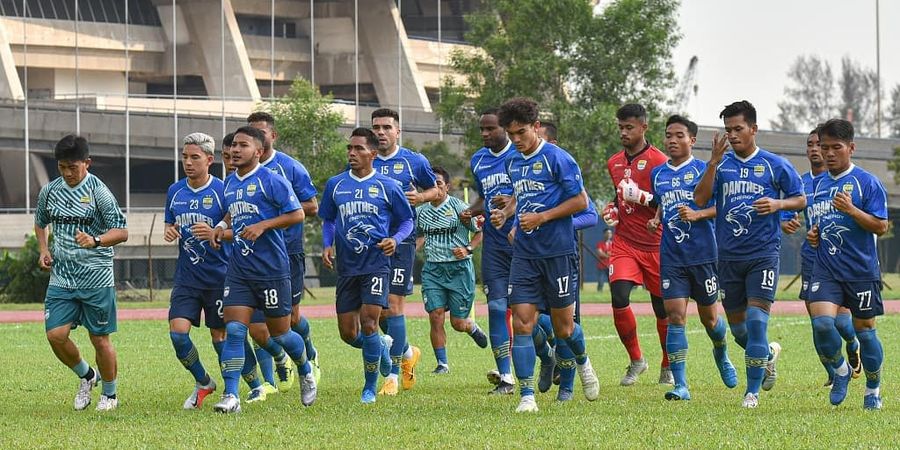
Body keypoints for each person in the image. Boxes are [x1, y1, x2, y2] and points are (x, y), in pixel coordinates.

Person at [693, 100, 805, 408]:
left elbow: (800, 198)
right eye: (728, 130)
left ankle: (751, 393)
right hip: (728, 258)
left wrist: (778, 205)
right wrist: (713, 163)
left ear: (753, 129)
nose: (733, 135)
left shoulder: (774, 164)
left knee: (757, 322)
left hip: (763, 254)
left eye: (738, 129)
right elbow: (700, 200)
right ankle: (767, 355)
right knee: (740, 331)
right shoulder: (721, 165)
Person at [500, 98, 599, 412]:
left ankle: (583, 362)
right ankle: (527, 396)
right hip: (526, 255)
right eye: (511, 133)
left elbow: (581, 202)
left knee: (564, 328)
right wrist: (510, 216)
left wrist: (542, 217)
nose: (516, 139)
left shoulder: (559, 159)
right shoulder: (512, 161)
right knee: (522, 323)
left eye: (521, 132)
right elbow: (523, 195)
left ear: (536, 127)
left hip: (558, 253)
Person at [209, 126, 317, 413]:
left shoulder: (273, 180)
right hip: (239, 270)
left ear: (258, 151)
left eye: (242, 145)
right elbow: (233, 211)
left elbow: (298, 213)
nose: (234, 150)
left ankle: (305, 369)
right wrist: (221, 227)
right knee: (234, 330)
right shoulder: (230, 182)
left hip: (272, 269)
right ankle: (231, 395)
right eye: (232, 145)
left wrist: (263, 225)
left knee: (280, 333)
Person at [319, 127, 414, 404]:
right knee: (348, 333)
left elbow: (407, 221)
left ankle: (369, 388)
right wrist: (327, 244)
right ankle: (382, 349)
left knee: (370, 323)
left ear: (372, 153)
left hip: (376, 264)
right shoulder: (336, 184)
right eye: (350, 148)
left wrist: (395, 240)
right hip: (347, 267)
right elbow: (328, 219)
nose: (352, 153)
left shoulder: (388, 186)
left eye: (358, 148)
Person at [164, 132, 258, 410]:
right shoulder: (175, 191)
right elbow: (171, 223)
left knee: (222, 337)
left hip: (220, 277)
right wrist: (170, 230)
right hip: (187, 278)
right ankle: (204, 381)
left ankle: (251, 386)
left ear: (209, 159)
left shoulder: (224, 190)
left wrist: (218, 231)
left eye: (194, 157)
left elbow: (238, 228)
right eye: (185, 157)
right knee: (178, 334)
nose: (188, 163)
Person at [35, 134, 129, 411]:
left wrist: (96, 240)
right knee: (55, 335)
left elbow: (122, 231)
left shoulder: (99, 193)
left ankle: (110, 395)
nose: (67, 173)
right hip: (62, 278)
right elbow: (41, 222)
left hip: (96, 278)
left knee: (99, 339)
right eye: (62, 167)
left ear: (87, 163)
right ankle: (88, 375)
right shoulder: (50, 191)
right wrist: (43, 249)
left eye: (72, 167)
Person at [649, 115, 738, 401]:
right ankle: (681, 385)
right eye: (668, 135)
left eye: (679, 135)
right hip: (671, 256)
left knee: (711, 320)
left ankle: (722, 353)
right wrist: (656, 218)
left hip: (703, 256)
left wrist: (699, 214)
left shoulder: (705, 169)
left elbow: (722, 208)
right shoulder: (658, 174)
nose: (672, 140)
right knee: (675, 317)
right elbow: (664, 203)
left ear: (692, 140)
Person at [805, 119, 889, 410]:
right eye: (823, 147)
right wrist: (814, 234)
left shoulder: (867, 182)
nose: (828, 153)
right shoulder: (818, 185)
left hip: (861, 271)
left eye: (835, 148)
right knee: (822, 324)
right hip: (826, 267)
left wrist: (852, 210)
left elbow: (881, 226)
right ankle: (841, 370)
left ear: (851, 148)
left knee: (865, 332)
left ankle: (873, 388)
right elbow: (820, 221)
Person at [780, 126, 861, 387]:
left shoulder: (841, 180)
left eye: (820, 144)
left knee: (841, 320)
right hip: (812, 256)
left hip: (841, 258)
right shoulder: (801, 182)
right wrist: (785, 222)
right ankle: (833, 371)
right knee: (818, 321)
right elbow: (786, 211)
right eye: (811, 144)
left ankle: (852, 341)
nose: (815, 149)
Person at [248, 111, 320, 388]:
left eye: (261, 133)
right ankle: (269, 381)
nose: (256, 138)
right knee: (256, 323)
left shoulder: (290, 167)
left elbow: (312, 206)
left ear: (272, 136)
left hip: (287, 252)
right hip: (253, 254)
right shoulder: (240, 169)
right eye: (250, 133)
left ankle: (309, 353)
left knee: (289, 318)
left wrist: (274, 213)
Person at [370, 108, 439, 394]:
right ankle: (408, 352)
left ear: (398, 132)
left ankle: (393, 375)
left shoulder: (414, 161)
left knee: (394, 305)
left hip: (402, 241)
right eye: (376, 127)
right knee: (377, 311)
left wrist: (421, 196)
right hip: (371, 243)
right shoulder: (365, 158)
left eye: (387, 127)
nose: (381, 132)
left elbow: (436, 191)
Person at [603, 103, 671, 386]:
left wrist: (643, 197)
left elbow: (670, 202)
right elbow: (618, 197)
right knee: (619, 297)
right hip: (625, 242)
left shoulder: (660, 161)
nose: (624, 132)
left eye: (629, 127)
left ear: (644, 127)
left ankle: (668, 364)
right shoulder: (613, 162)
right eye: (620, 127)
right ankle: (636, 360)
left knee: (662, 309)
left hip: (656, 244)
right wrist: (612, 208)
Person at [462, 108, 517, 395]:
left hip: (523, 243)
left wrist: (512, 203)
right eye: (481, 129)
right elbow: (484, 197)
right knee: (496, 308)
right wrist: (470, 211)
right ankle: (506, 377)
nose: (484, 134)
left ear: (505, 129)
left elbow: (533, 194)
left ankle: (548, 357)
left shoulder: (519, 156)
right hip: (494, 244)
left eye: (490, 129)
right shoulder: (478, 160)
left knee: (532, 314)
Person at [415, 166, 489, 374]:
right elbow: (420, 235)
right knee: (436, 315)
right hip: (433, 271)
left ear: (447, 187)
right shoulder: (421, 212)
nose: (435, 187)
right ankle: (442, 364)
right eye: (431, 184)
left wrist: (467, 249)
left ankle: (471, 327)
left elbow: (480, 232)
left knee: (457, 323)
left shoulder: (461, 208)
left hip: (459, 271)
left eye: (439, 183)